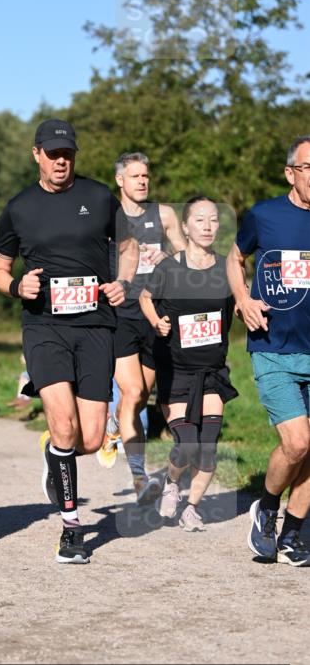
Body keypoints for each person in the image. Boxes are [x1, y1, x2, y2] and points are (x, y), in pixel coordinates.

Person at [0, 118, 137, 564]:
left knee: (90, 440)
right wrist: (17, 287)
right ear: (36, 154)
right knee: (65, 426)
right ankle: (72, 529)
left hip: (95, 325)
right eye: (52, 153)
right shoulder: (19, 207)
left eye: (67, 154)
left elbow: (128, 247)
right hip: (44, 327)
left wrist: (123, 282)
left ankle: (56, 459)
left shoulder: (97, 196)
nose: (60, 160)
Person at [227, 136, 310, 566]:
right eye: (309, 167)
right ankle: (267, 508)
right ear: (291, 173)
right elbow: (234, 257)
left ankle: (294, 534)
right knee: (297, 443)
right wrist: (242, 298)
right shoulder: (266, 214)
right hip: (274, 347)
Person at [140, 196, 237, 531]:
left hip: (212, 371)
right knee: (188, 444)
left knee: (207, 447)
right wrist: (156, 321)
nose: (208, 226)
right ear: (185, 226)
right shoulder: (170, 267)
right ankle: (171, 481)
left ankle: (191, 507)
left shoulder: (227, 267)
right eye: (200, 220)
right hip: (176, 370)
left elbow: (241, 303)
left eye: (213, 220)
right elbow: (144, 297)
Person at [98, 153, 186, 506]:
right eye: (135, 176)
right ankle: (139, 478)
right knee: (133, 393)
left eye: (146, 176)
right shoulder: (106, 216)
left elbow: (186, 255)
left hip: (155, 315)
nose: (142, 182)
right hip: (121, 314)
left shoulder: (163, 214)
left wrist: (168, 258)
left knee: (140, 398)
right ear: (120, 180)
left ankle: (114, 425)